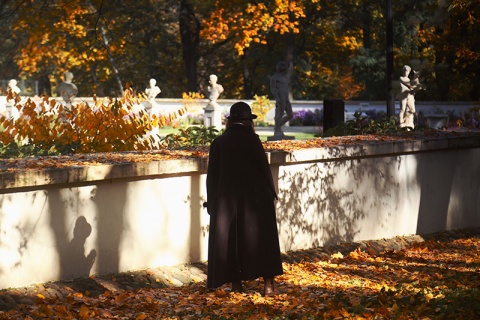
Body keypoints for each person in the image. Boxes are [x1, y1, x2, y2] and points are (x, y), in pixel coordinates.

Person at [206, 101, 283, 296]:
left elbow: (212, 176)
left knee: (232, 242)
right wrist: (271, 194)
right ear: (248, 121)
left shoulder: (219, 143)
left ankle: (236, 285)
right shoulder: (253, 140)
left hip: (227, 202)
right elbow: (264, 170)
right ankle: (267, 285)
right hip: (255, 201)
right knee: (263, 240)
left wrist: (212, 203)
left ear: (230, 121)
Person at [270, 61, 293, 138]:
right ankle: (277, 131)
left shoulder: (285, 77)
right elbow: (273, 89)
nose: (286, 69)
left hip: (286, 98)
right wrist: (277, 98)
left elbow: (286, 88)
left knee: (290, 115)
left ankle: (277, 127)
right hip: (280, 98)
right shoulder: (274, 77)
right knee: (280, 114)